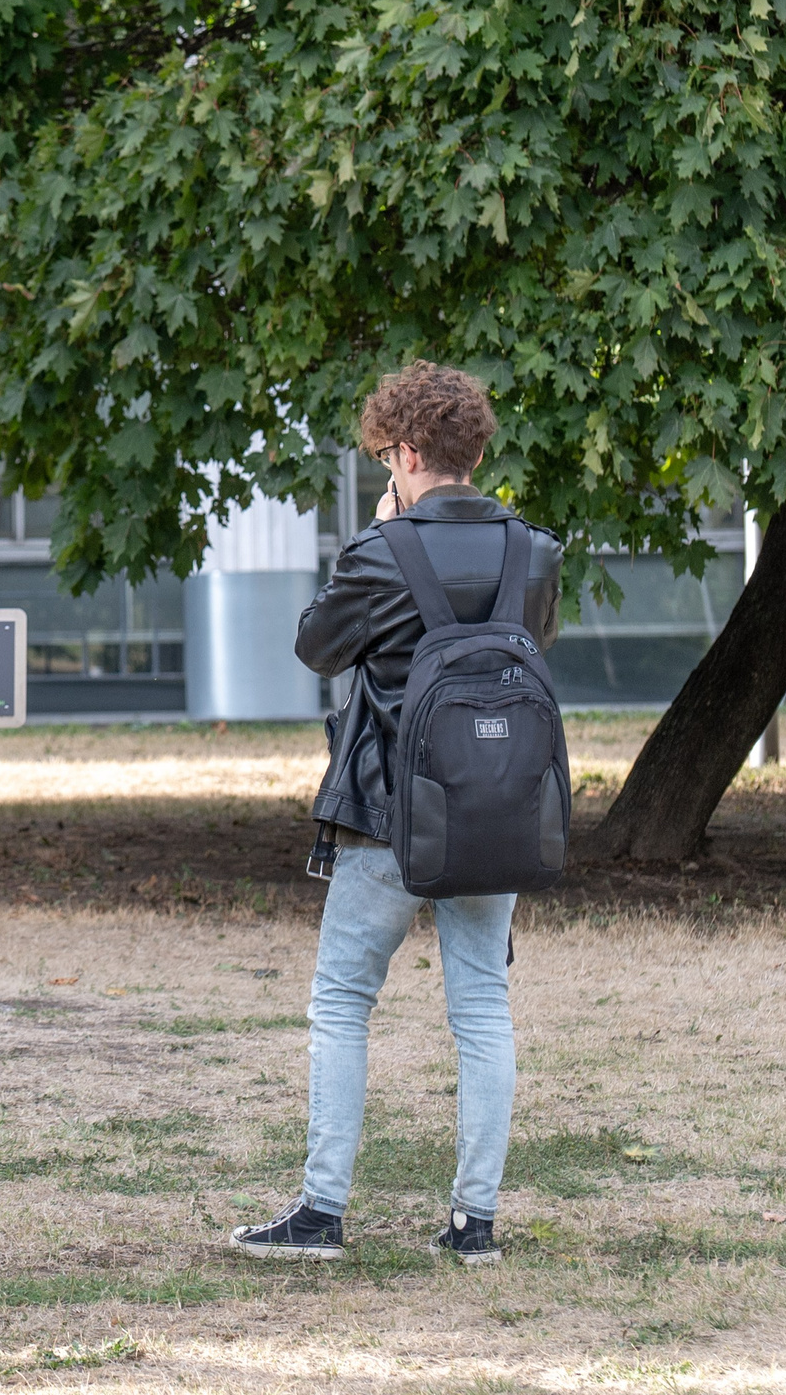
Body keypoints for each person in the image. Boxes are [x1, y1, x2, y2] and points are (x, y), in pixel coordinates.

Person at [230, 361, 561, 1267]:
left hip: (387, 813)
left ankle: (323, 1212)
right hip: (496, 809)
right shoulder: (535, 549)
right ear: (477, 449)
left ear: (407, 450)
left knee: (341, 1001)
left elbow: (315, 647)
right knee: (483, 1010)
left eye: (388, 455)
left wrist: (378, 536)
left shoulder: (383, 549)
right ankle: (474, 1224)